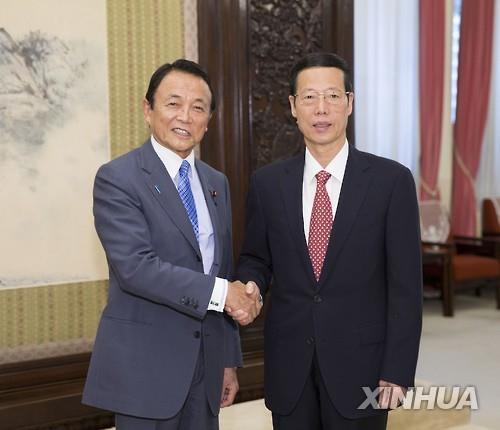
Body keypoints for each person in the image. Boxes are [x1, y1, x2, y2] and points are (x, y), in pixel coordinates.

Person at [235, 52, 422, 429]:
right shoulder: (267, 184)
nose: (321, 109)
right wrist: (251, 285)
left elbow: (406, 287)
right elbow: (257, 258)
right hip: (290, 365)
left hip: (363, 366)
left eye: (333, 96)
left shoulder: (391, 182)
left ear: (349, 103)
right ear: (293, 106)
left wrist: (397, 371)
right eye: (309, 97)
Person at [82, 59, 261, 430]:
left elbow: (222, 268)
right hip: (146, 370)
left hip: (206, 368)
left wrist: (228, 361)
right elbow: (136, 268)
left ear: (208, 121)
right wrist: (223, 293)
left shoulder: (216, 182)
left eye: (198, 107)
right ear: (148, 110)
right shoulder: (119, 178)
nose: (185, 116)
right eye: (173, 103)